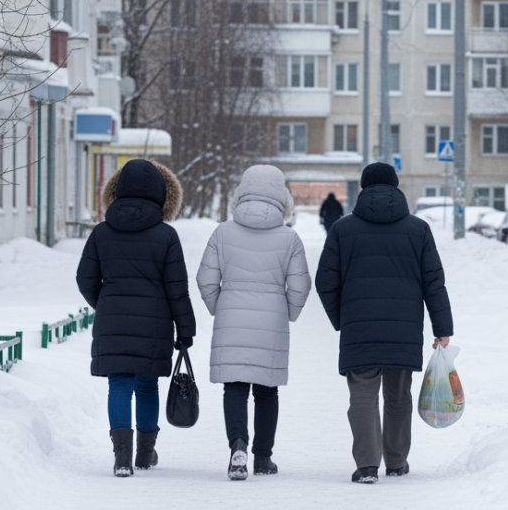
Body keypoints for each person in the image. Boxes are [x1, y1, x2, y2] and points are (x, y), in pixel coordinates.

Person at [315, 162, 453, 484]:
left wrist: (342, 318)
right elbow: (434, 282)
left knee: (362, 395)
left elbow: (325, 281)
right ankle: (396, 461)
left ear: (363, 188)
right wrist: (442, 328)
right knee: (398, 395)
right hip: (403, 329)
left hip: (359, 328)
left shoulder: (342, 229)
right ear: (396, 187)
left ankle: (366, 465)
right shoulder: (418, 229)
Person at [76, 159, 196, 477]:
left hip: (112, 322)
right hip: (154, 324)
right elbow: (177, 289)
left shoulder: (101, 233)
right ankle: (144, 454)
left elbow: (84, 279)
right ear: (161, 195)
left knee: (119, 386)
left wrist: (105, 303)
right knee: (146, 386)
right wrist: (186, 329)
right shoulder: (166, 236)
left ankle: (121, 458)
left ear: (115, 192)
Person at [197, 165, 311, 480]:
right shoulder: (290, 238)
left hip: (231, 315)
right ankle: (263, 457)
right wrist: (288, 311)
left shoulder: (222, 232)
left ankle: (237, 444)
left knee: (234, 386)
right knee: (266, 390)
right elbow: (300, 286)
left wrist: (219, 307)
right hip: (272, 319)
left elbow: (205, 279)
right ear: (282, 197)